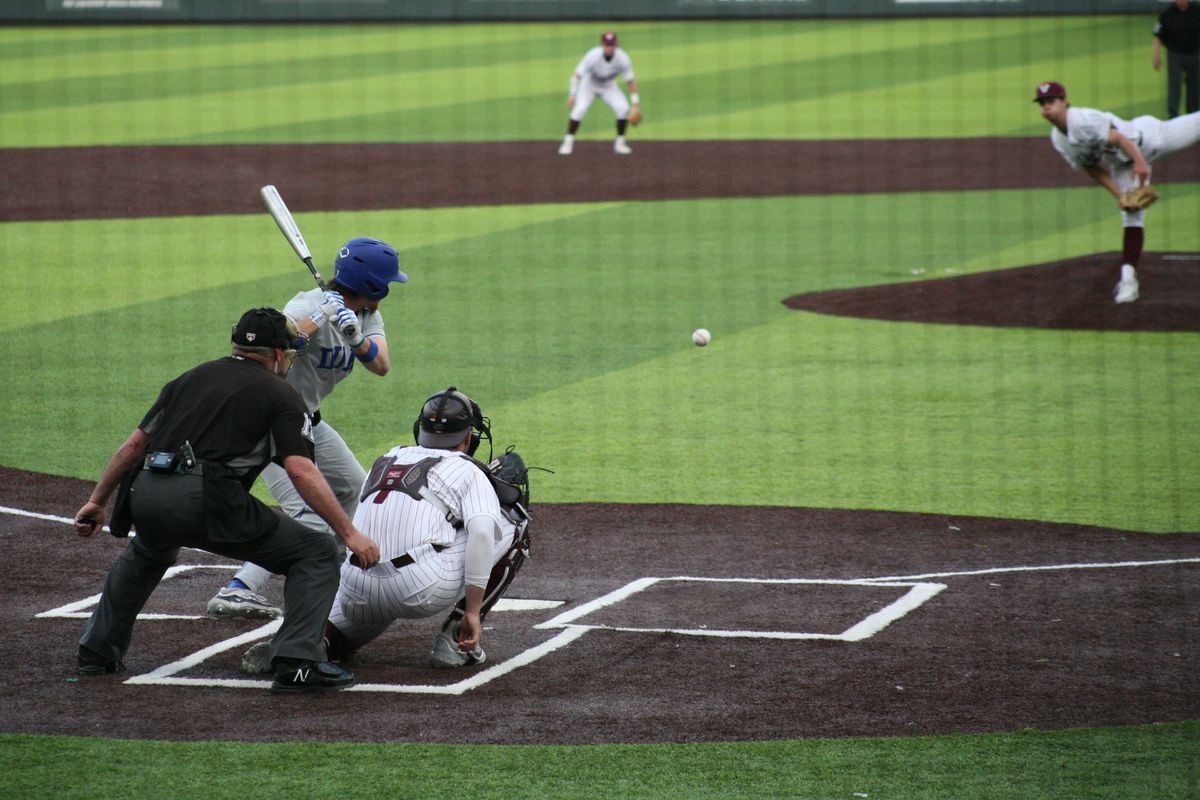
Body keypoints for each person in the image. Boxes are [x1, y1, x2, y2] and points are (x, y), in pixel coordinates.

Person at [73, 308, 380, 694]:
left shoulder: (189, 378)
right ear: (278, 354)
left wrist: (97, 501)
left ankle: (95, 653)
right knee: (317, 551)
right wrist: (349, 533)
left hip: (145, 492)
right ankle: (299, 662)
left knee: (148, 550)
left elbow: (134, 446)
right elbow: (301, 471)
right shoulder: (281, 395)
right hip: (206, 497)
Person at [241, 387, 532, 674]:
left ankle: (302, 647)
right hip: (422, 588)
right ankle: (457, 639)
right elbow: (481, 534)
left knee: (368, 608)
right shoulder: (468, 470)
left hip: (358, 586)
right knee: (514, 521)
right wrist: (471, 611)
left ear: (419, 430)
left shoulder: (386, 458)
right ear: (468, 437)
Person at [205, 238, 406, 620]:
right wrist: (317, 320)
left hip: (308, 421)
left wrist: (355, 338)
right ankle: (238, 588)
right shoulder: (305, 305)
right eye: (387, 282)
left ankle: (333, 574)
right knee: (311, 512)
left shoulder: (366, 315)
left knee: (353, 489)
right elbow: (269, 351)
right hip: (267, 424)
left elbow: (380, 366)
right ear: (372, 284)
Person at [1034, 80, 1200, 303]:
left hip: (1150, 140)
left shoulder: (1083, 120)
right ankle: (1128, 280)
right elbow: (1093, 170)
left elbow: (1120, 138)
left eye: (1051, 101)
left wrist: (1140, 163)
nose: (1046, 107)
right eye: (1042, 103)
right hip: (1123, 166)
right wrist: (1120, 195)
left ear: (1064, 102)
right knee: (1131, 218)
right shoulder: (1060, 140)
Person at [558, 31, 640, 156]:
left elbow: (630, 80)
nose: (610, 48)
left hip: (609, 86)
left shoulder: (623, 58)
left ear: (616, 45)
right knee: (579, 109)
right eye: (607, 45)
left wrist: (635, 102)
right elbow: (576, 76)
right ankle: (567, 142)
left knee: (623, 108)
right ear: (602, 44)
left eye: (612, 45)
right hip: (589, 85)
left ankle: (620, 143)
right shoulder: (592, 56)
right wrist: (572, 95)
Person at [1153, 0, 1200, 118]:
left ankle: (1193, 116)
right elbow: (1158, 36)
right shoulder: (1167, 14)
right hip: (1175, 55)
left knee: (1194, 86)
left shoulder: (1197, 11)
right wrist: (1156, 55)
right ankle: (1173, 117)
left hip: (1194, 55)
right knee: (1174, 85)